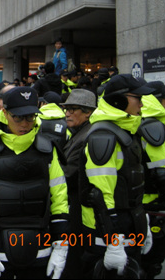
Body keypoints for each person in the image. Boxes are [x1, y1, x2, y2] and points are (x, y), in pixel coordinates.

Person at [0, 86, 69, 279]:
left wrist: (61, 244)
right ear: (4, 113)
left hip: (40, 247)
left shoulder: (47, 149)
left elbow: (59, 197)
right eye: (18, 117)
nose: (25, 124)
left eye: (30, 117)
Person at [79, 74, 155, 278]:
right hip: (109, 234)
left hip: (128, 227)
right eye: (137, 97)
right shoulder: (103, 136)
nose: (141, 103)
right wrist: (113, 241)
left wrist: (142, 221)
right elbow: (100, 195)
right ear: (118, 100)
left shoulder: (125, 130)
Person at [59, 89, 97, 279]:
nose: (67, 113)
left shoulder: (86, 136)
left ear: (88, 112)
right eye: (66, 109)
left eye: (73, 109)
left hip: (79, 208)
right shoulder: (80, 132)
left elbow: (68, 175)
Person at [138, 81, 165, 279]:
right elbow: (162, 172)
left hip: (136, 203)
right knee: (151, 263)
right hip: (154, 205)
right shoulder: (155, 125)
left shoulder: (136, 119)